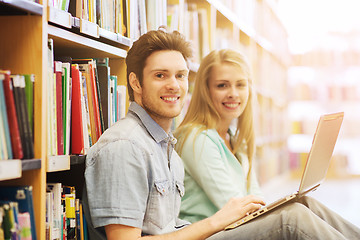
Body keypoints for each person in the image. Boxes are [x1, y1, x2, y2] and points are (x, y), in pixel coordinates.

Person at [174, 48, 360, 239]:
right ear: (205, 90)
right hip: (210, 234)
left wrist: (277, 206)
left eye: (240, 85)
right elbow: (234, 207)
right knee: (292, 218)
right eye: (222, 86)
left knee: (305, 203)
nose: (233, 93)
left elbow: (255, 199)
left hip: (233, 228)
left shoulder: (235, 138)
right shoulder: (196, 138)